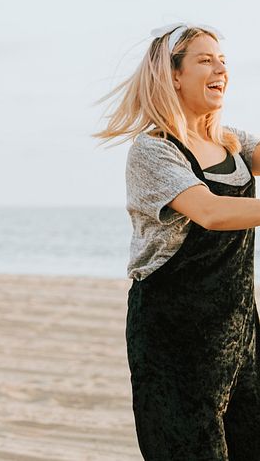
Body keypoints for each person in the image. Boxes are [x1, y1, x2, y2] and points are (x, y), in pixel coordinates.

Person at [96, 24, 260, 460]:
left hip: (238, 330)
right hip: (174, 337)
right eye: (205, 60)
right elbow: (212, 212)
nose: (220, 68)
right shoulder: (153, 151)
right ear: (173, 75)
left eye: (222, 60)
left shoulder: (230, 142)